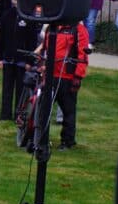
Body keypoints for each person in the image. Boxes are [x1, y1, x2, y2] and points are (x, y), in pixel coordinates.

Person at [37, 21, 89, 150]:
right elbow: (45, 49)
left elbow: (83, 55)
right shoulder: (51, 27)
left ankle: (67, 140)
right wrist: (41, 65)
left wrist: (78, 76)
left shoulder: (78, 29)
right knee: (43, 108)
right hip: (50, 75)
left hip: (67, 76)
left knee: (68, 111)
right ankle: (40, 137)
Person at [0, 0, 41, 121]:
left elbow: (32, 42)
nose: (15, 1)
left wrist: (30, 61)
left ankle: (19, 114)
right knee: (7, 88)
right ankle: (5, 114)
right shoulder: (7, 16)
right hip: (8, 59)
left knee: (21, 90)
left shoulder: (29, 18)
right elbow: (1, 39)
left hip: (22, 61)